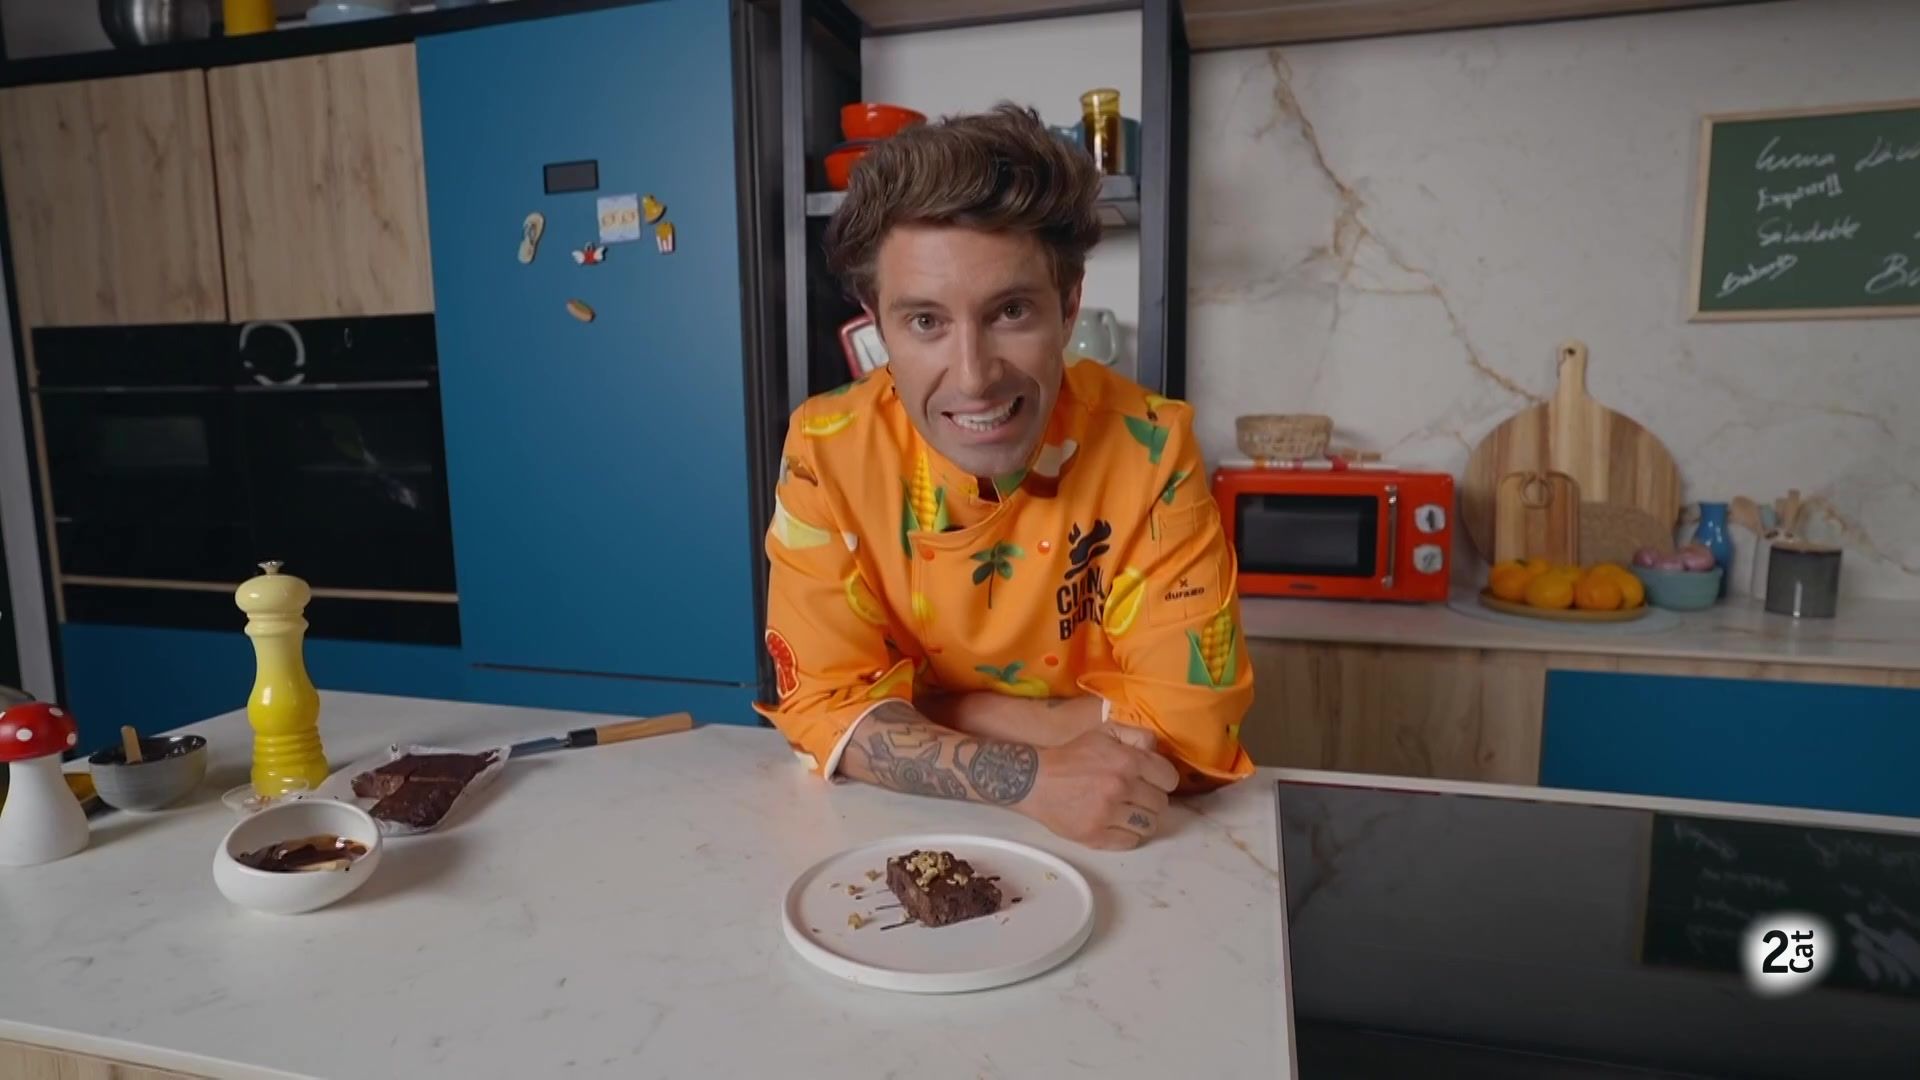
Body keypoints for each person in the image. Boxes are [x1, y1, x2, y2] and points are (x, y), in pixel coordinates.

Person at [755, 104, 1252, 850]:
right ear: (876, 325)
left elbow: (1194, 723)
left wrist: (926, 707)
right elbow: (817, 705)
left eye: (1011, 311)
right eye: (925, 322)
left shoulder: (1151, 449)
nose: (974, 377)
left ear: (1070, 305)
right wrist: (1037, 774)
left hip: (1137, 843)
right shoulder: (826, 450)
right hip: (887, 837)